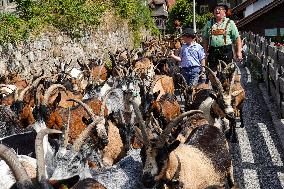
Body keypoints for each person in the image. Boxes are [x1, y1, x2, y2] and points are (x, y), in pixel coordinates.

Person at [203, 3, 242, 72]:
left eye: (219, 9)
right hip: (213, 50)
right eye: (215, 9)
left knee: (227, 71)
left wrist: (239, 52)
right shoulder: (209, 23)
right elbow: (205, 38)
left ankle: (226, 82)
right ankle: (214, 82)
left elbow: (237, 38)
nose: (217, 10)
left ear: (224, 11)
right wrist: (205, 51)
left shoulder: (230, 23)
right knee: (212, 71)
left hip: (226, 50)